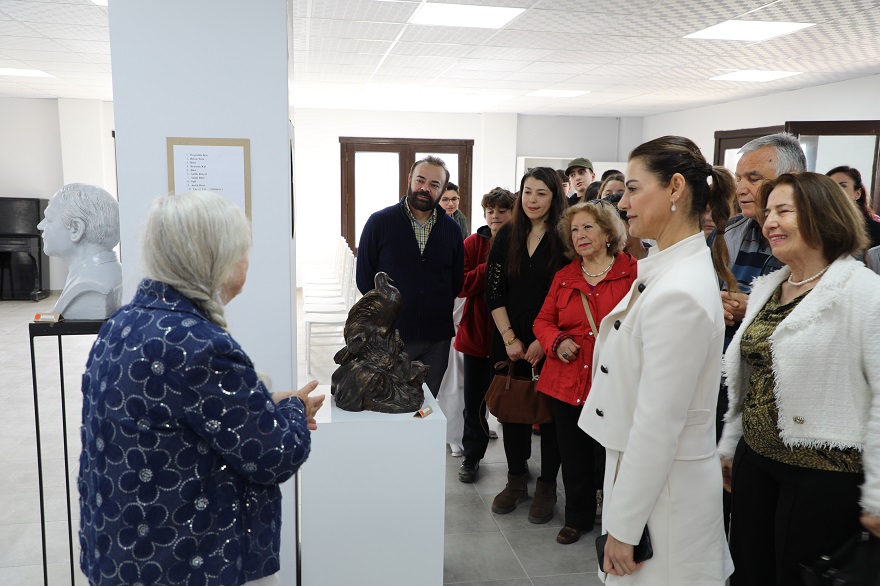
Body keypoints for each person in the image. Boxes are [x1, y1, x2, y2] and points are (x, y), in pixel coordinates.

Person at [78, 190, 325, 586]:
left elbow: (178, 416)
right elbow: (276, 454)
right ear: (215, 259)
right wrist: (293, 409)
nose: (247, 261)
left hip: (125, 553)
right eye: (242, 251)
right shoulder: (200, 346)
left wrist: (261, 402)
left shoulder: (122, 325)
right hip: (189, 560)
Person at [579, 136, 738, 584]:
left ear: (675, 188)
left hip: (666, 498)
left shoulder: (679, 291)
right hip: (652, 481)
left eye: (633, 189)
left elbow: (658, 423)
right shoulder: (666, 268)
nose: (622, 203)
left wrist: (624, 528)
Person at [718, 172, 880, 585]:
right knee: (748, 573)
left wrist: (878, 496)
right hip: (756, 462)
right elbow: (750, 380)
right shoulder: (768, 287)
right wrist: (731, 446)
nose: (769, 222)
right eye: (768, 212)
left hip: (823, 475)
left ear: (822, 215)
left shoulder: (862, 291)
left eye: (784, 211)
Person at [533, 201, 636, 544]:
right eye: (574, 230)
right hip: (567, 381)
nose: (580, 235)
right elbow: (542, 321)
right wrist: (556, 341)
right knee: (573, 453)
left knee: (610, 453)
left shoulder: (633, 273)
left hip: (613, 381)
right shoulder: (565, 276)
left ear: (608, 233)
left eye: (588, 227)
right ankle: (577, 517)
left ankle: (616, 522)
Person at [485, 166, 567, 523]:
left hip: (554, 339)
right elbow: (493, 291)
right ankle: (516, 480)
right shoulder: (507, 235)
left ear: (555, 197)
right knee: (513, 409)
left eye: (541, 193)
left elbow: (569, 295)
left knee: (551, 417)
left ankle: (547, 487)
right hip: (509, 340)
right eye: (528, 192)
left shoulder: (565, 236)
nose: (532, 200)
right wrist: (510, 338)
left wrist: (542, 341)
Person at [356, 156, 465, 397]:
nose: (425, 188)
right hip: (390, 335)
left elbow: (456, 281)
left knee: (426, 405)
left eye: (434, 184)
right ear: (409, 180)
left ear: (442, 189)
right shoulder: (379, 222)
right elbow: (364, 279)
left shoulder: (452, 230)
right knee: (387, 401)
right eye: (420, 180)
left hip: (436, 339)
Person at [456, 187, 516, 483]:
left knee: (513, 402)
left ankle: (518, 465)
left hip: (512, 337)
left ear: (513, 213)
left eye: (502, 211)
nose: (495, 216)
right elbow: (461, 285)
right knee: (475, 402)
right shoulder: (472, 243)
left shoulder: (522, 243)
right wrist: (489, 265)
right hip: (478, 335)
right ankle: (472, 455)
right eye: (490, 211)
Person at [37, 183, 123, 319]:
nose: (40, 226)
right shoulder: (115, 273)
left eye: (49, 219)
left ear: (76, 229)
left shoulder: (93, 287)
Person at [826, 165, 880, 249]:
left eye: (842, 186)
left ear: (857, 193)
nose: (836, 190)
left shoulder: (875, 230)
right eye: (830, 186)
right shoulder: (816, 226)